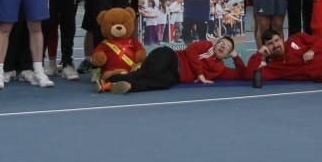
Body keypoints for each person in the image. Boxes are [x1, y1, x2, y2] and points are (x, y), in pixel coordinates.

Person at [101, 36, 251, 93]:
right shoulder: (205, 45)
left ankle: (123, 86)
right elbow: (191, 51)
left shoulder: (220, 69)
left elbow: (242, 74)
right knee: (150, 71)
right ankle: (108, 81)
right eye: (221, 43)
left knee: (163, 83)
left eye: (227, 48)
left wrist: (236, 57)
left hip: (175, 75)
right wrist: (200, 75)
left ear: (226, 55)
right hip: (170, 57)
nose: (223, 47)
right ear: (216, 43)